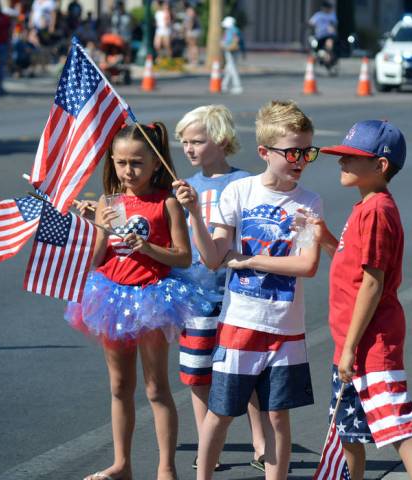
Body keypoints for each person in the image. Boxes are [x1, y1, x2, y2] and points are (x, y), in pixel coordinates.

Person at [174, 100, 322, 480]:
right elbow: (214, 257)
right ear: (264, 152)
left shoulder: (308, 202)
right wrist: (194, 215)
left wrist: (250, 260)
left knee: (277, 415)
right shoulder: (239, 192)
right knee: (221, 412)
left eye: (307, 151)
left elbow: (306, 264)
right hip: (241, 324)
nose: (301, 159)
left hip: (286, 328)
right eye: (292, 152)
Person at [66, 123, 217, 480]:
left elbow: (182, 257)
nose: (128, 171)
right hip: (112, 297)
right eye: (121, 163)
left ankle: (166, 467)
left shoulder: (165, 202)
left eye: (136, 163)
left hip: (153, 298)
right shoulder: (111, 201)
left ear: (154, 164)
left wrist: (146, 247)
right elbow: (98, 258)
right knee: (119, 387)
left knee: (155, 387)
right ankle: (122, 464)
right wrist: (94, 226)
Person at [308, 120, 412, 480]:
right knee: (349, 431)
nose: (342, 163)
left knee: (398, 427)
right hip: (351, 344)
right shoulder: (364, 207)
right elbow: (353, 265)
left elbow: (372, 284)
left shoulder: (378, 210)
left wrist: (350, 347)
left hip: (370, 344)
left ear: (380, 166)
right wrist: (326, 238)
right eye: (342, 157)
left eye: (351, 158)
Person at [173, 104, 267, 473]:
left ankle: (261, 442)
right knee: (198, 374)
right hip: (196, 295)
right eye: (184, 142)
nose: (189, 148)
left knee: (247, 372)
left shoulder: (243, 183)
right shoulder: (184, 189)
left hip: (237, 295)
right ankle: (208, 444)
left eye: (197, 140)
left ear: (222, 140)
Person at [308, 1, 337, 65]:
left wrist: (332, 27)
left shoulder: (332, 15)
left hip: (329, 35)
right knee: (314, 46)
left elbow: (333, 24)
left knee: (329, 42)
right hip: (320, 36)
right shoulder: (318, 15)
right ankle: (317, 57)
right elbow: (311, 23)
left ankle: (328, 56)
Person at [220, 16, 242, 95]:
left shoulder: (230, 30)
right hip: (233, 50)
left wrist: (222, 44)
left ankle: (237, 86)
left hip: (230, 51)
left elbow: (228, 41)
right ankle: (223, 85)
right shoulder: (235, 30)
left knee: (232, 68)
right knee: (228, 68)